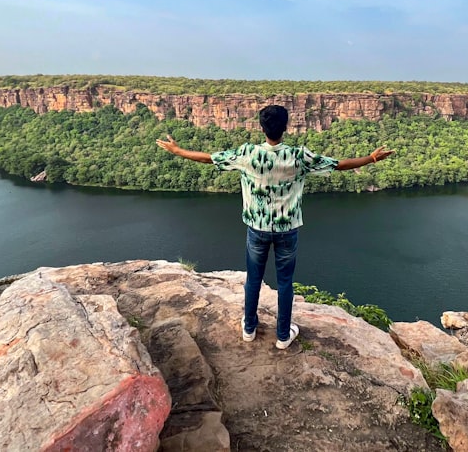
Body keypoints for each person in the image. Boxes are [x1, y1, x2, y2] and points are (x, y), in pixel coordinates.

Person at [156, 105, 394, 349]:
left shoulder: (247, 153)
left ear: (261, 128)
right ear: (286, 128)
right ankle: (282, 336)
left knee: (253, 280)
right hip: (287, 230)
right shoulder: (298, 156)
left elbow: (209, 158)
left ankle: (249, 328)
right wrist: (371, 158)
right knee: (285, 283)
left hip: (256, 229)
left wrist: (177, 151)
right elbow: (338, 164)